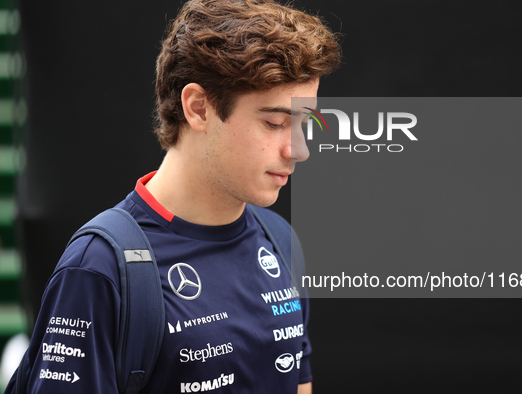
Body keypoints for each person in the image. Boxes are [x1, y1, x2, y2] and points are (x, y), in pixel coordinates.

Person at [8, 0, 340, 393]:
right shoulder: (99, 267)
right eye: (274, 123)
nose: (297, 149)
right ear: (198, 107)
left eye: (303, 123)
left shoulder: (280, 241)